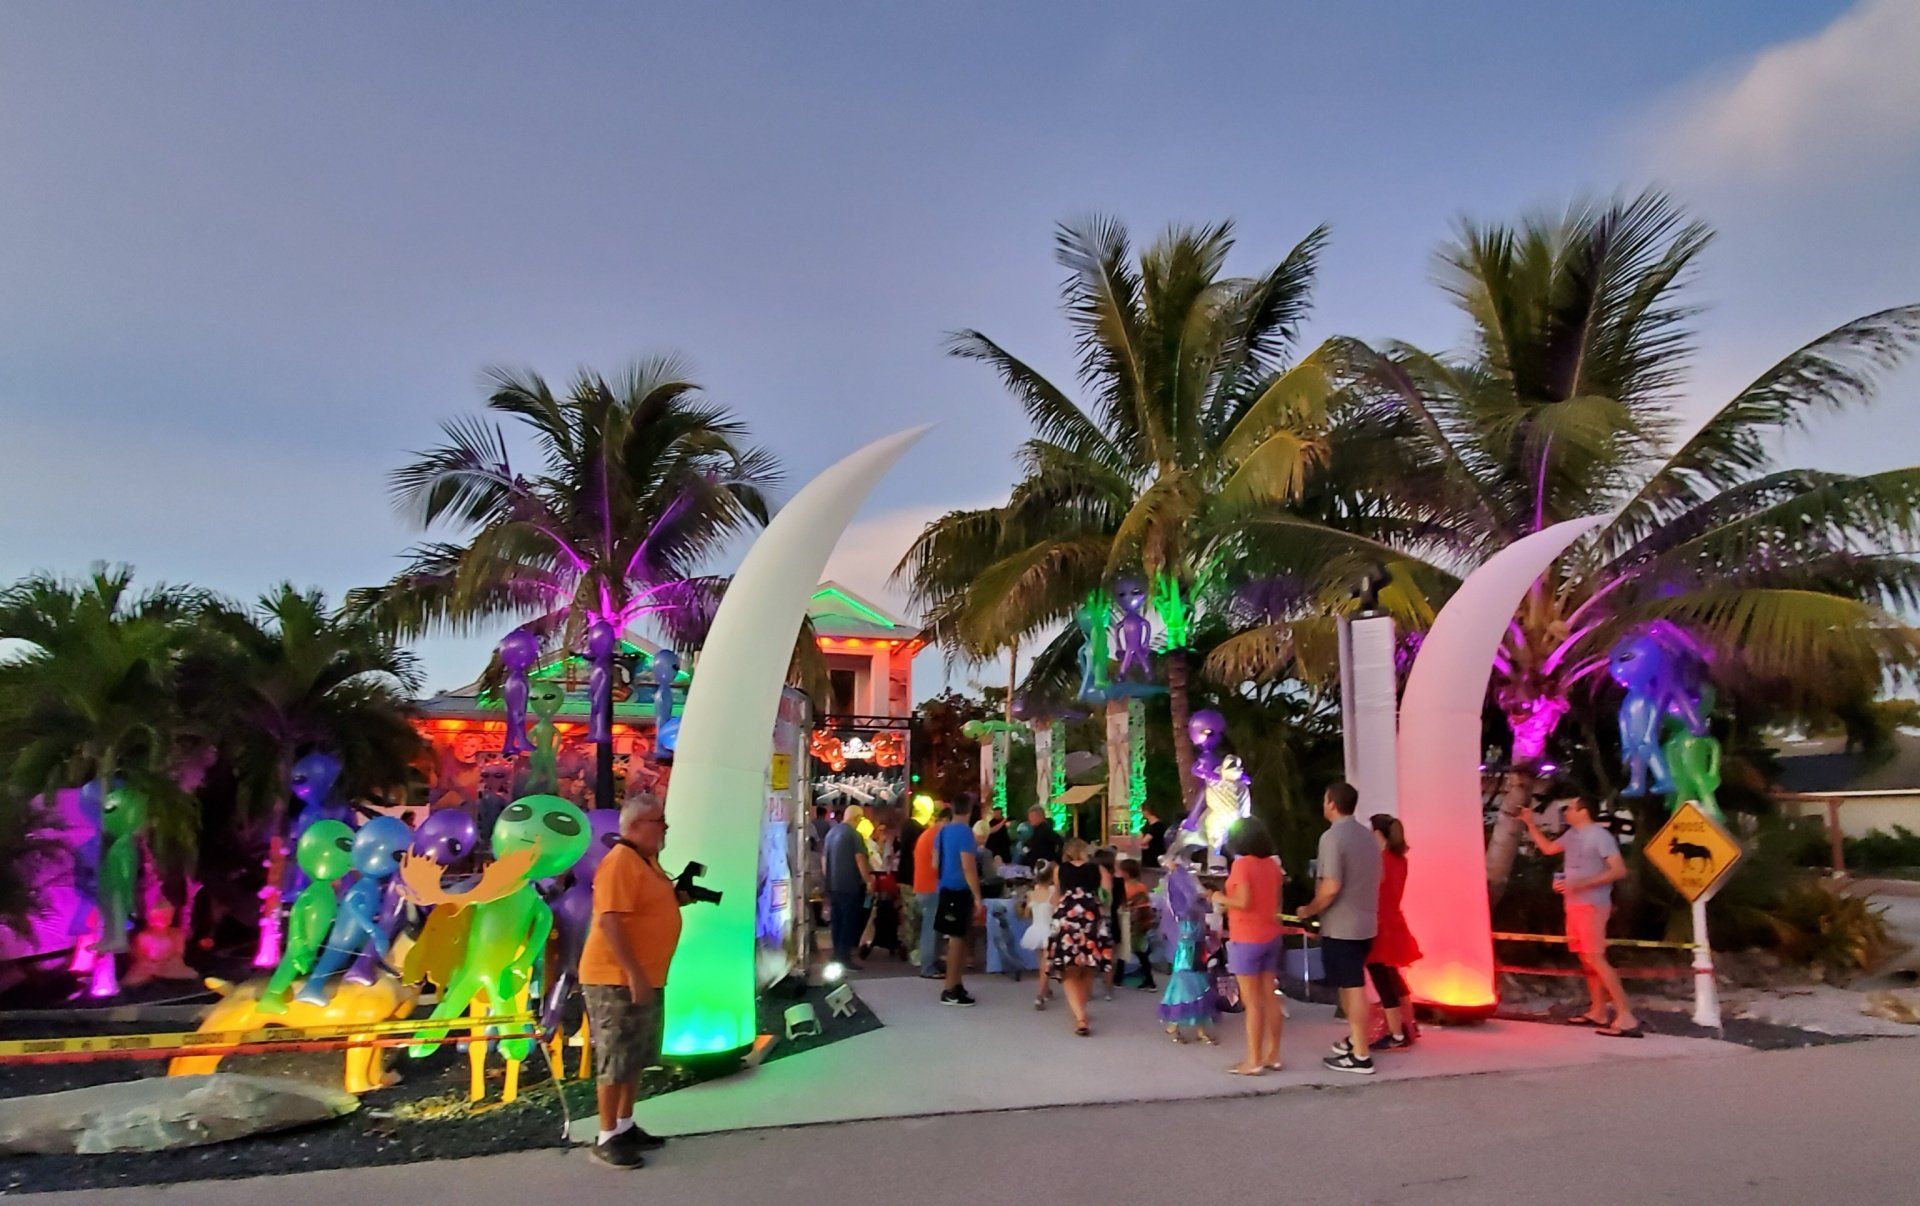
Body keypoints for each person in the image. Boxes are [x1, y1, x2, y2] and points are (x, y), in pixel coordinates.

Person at [578, 794, 686, 1168]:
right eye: (659, 822)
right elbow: (609, 920)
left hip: (645, 976)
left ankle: (625, 1124)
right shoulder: (620, 861)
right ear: (636, 826)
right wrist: (634, 973)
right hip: (615, 977)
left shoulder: (646, 861)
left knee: (635, 1055)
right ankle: (607, 1134)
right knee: (616, 1055)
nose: (665, 828)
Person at [1522, 792, 1640, 1037]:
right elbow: (1548, 848)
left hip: (1592, 905)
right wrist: (1530, 824)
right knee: (1586, 959)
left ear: (1584, 811)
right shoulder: (1572, 835)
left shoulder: (1600, 836)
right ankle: (1598, 1010)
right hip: (1574, 904)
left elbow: (1619, 870)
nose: (1566, 811)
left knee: (1596, 957)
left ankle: (1626, 1015)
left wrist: (1583, 884)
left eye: (1571, 807)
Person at [1298, 781, 1382, 1075]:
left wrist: (1309, 910)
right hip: (1367, 922)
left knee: (1352, 987)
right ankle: (1356, 1041)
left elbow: (1331, 886)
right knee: (1351, 984)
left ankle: (1361, 1054)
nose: (1323, 805)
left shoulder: (1332, 838)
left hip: (1342, 925)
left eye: (1325, 800)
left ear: (1332, 803)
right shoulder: (1368, 837)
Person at [1216, 818, 1285, 1075]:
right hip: (1270, 934)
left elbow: (1243, 901)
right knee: (1270, 996)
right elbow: (1276, 903)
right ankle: (1273, 1055)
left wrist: (1218, 897)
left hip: (1246, 937)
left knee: (1252, 1001)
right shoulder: (1272, 865)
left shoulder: (1242, 864)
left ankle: (1253, 1060)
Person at [1364, 814, 1420, 1052]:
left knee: (1382, 979)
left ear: (1377, 833)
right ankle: (1409, 1022)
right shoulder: (1400, 860)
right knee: (1393, 976)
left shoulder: (1380, 861)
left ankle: (1396, 1033)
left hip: (1379, 925)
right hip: (1395, 922)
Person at [1048, 837, 1113, 1036]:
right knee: (1088, 965)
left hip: (1067, 916)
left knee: (1069, 969)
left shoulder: (1060, 869)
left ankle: (1080, 1016)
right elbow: (1107, 897)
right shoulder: (1099, 869)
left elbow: (1057, 895)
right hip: (1090, 915)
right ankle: (1081, 1011)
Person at [934, 802, 983, 1006]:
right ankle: (950, 988)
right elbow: (968, 865)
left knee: (958, 938)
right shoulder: (965, 832)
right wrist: (977, 895)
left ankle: (956, 983)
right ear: (969, 811)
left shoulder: (942, 832)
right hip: (959, 890)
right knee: (957, 940)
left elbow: (934, 862)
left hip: (945, 888)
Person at [822, 804, 874, 968]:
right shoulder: (854, 835)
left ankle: (836, 954)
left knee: (837, 921)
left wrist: (828, 878)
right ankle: (844, 957)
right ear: (857, 818)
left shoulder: (831, 833)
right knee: (848, 922)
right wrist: (868, 880)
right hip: (850, 885)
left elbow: (824, 860)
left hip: (833, 884)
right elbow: (860, 859)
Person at [912, 806, 948, 978]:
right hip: (931, 886)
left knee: (933, 928)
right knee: (931, 930)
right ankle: (928, 967)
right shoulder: (937, 836)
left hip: (923, 886)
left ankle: (934, 962)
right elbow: (937, 862)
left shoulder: (927, 834)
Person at [1019, 860, 1057, 1009]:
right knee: (1046, 964)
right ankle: (1040, 995)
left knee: (1042, 962)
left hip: (1035, 929)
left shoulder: (1031, 894)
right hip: (1049, 929)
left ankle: (1046, 990)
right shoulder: (1053, 893)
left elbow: (1026, 914)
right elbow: (1056, 911)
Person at [1140, 802, 1169, 868]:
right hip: (1146, 858)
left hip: (1154, 859)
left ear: (1147, 811)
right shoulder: (1147, 825)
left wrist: (1143, 843)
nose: (1142, 813)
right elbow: (1140, 839)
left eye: (1142, 811)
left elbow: (1144, 841)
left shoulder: (1158, 826)